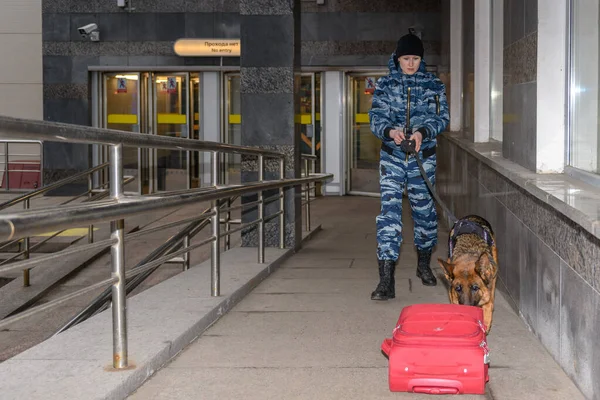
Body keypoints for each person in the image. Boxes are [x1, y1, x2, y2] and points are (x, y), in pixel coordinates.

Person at [368, 31, 450, 301]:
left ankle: (423, 264)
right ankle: (386, 281)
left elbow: (442, 118)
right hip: (392, 158)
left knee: (425, 216)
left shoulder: (433, 85)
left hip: (422, 159)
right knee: (389, 217)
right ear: (398, 58)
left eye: (415, 58)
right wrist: (391, 132)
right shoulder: (385, 85)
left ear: (421, 59)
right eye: (406, 58)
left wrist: (422, 133)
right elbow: (375, 118)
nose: (411, 63)